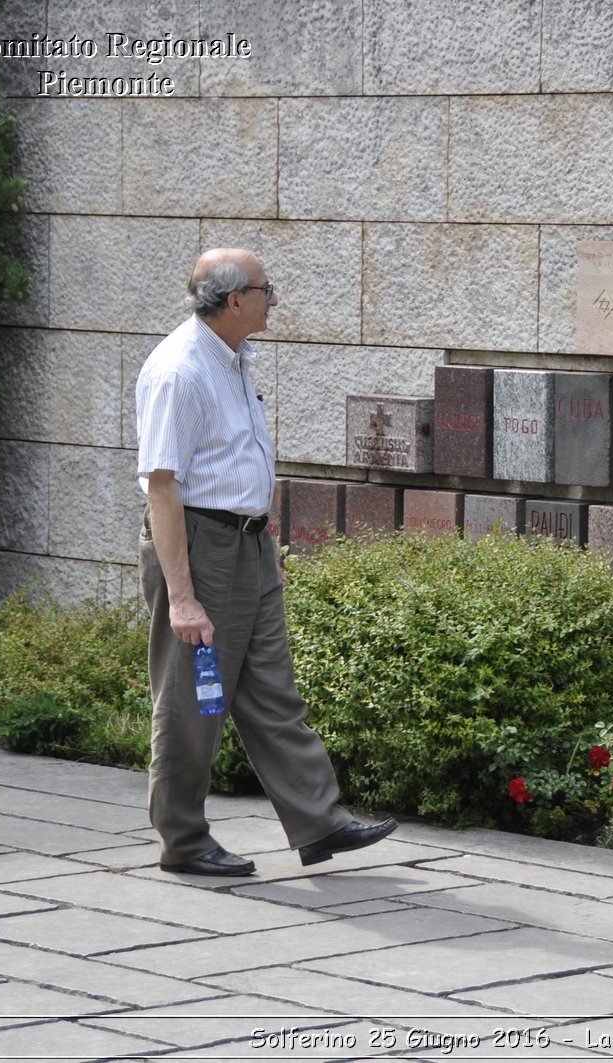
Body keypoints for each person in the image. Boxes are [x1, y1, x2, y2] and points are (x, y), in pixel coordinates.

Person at [134, 247, 396, 876]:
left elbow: (235, 463)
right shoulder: (180, 370)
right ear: (233, 301)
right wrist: (184, 595)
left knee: (273, 689)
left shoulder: (233, 357)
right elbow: (162, 486)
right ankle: (184, 842)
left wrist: (264, 544)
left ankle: (319, 822)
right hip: (200, 547)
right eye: (265, 289)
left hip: (248, 545)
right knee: (193, 701)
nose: (274, 298)